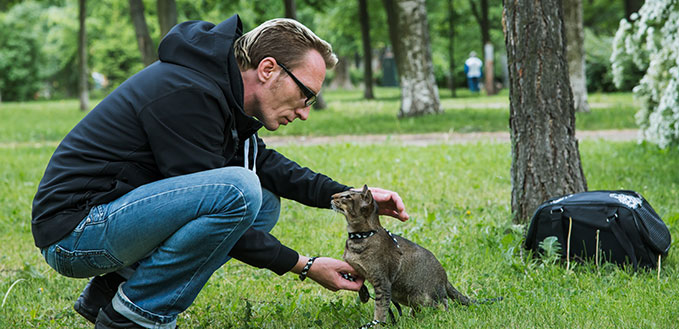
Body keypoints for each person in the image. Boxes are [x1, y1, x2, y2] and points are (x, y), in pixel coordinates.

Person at [32, 15, 409, 329]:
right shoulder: (187, 92)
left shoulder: (225, 96)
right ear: (267, 70)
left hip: (112, 220)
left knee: (263, 202)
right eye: (305, 95)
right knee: (241, 189)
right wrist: (304, 265)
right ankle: (134, 317)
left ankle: (111, 290)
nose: (306, 110)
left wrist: (353, 196)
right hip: (75, 233)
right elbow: (223, 201)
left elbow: (264, 163)